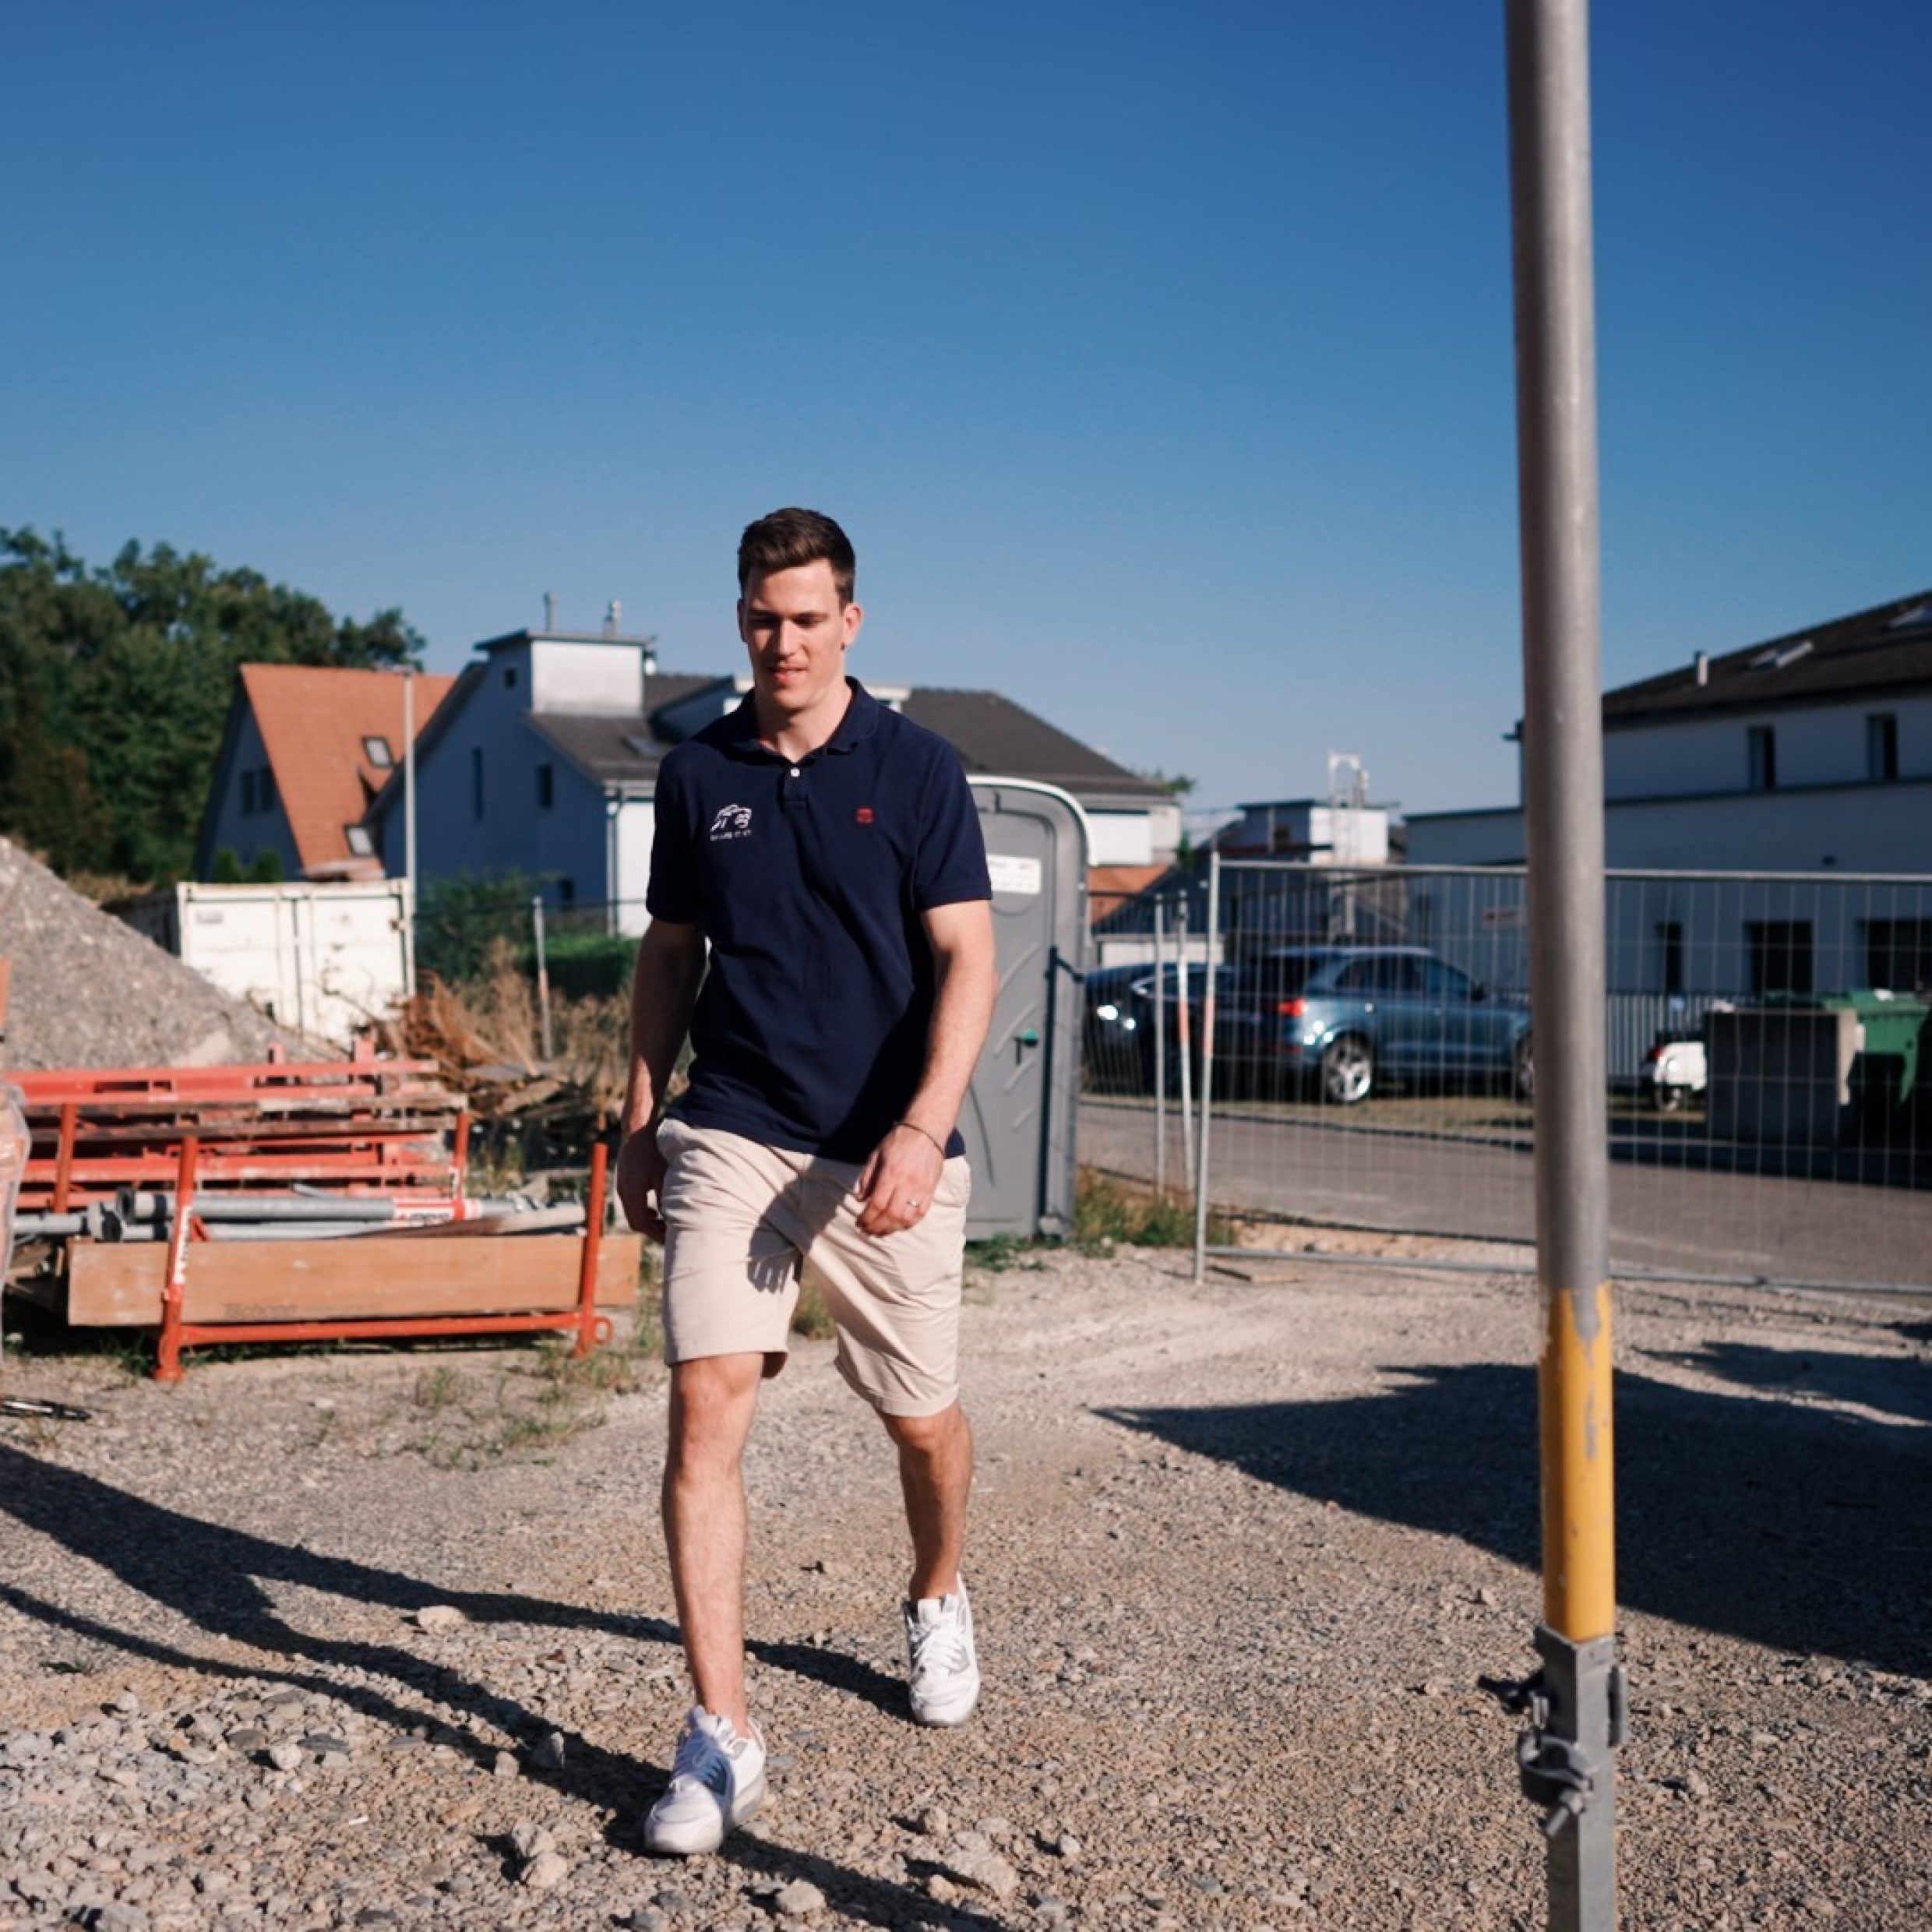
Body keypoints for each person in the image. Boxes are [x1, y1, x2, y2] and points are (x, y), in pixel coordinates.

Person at [615, 508, 997, 1857]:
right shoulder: (694, 772)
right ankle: (722, 1736)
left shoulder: (918, 767)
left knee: (920, 1419)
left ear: (852, 622)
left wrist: (922, 1123)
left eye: (809, 617)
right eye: (764, 619)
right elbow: (670, 953)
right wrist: (642, 1107)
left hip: (886, 1144)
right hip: (734, 1125)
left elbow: (968, 961)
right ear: (741, 622)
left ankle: (938, 1592)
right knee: (706, 1401)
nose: (785, 640)